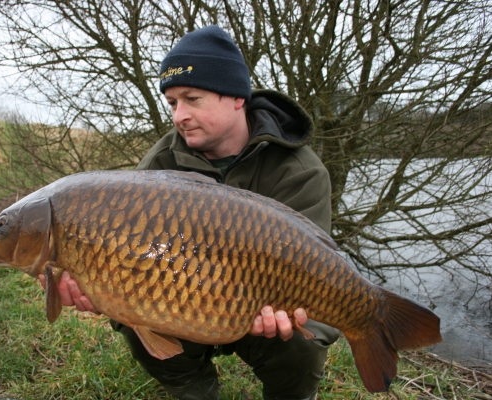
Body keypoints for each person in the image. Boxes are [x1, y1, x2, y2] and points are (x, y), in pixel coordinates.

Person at [39, 25, 339, 400]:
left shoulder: (300, 170)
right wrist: (97, 287)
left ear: (236, 98)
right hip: (182, 304)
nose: (180, 115)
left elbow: (320, 269)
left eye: (192, 99)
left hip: (264, 304)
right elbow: (125, 256)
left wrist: (290, 315)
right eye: (172, 103)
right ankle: (194, 390)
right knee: (134, 314)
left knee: (302, 339)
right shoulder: (160, 163)